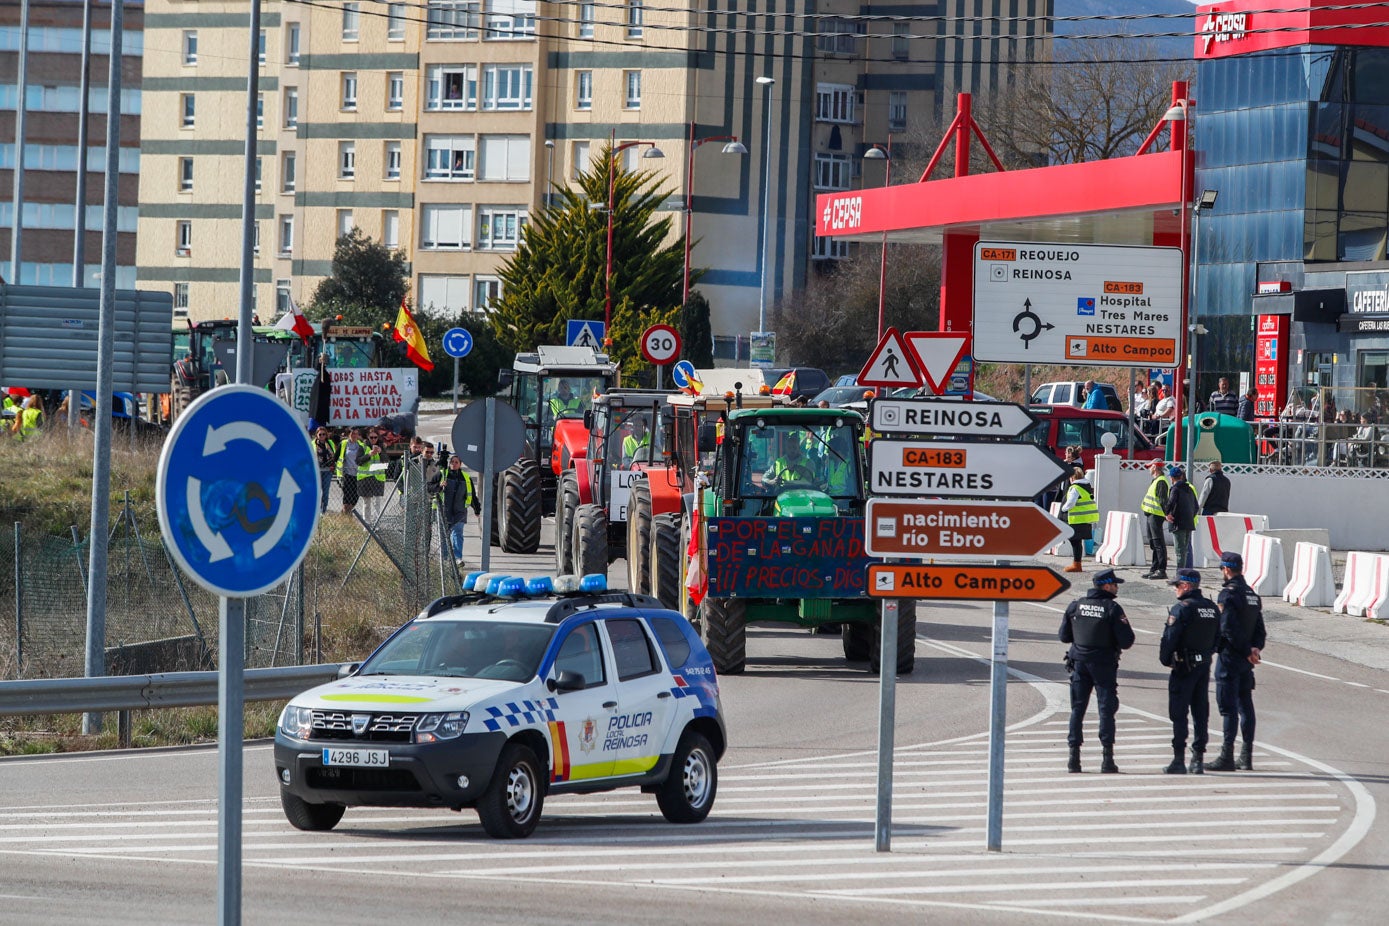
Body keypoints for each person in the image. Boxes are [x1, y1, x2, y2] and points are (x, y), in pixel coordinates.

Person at [1059, 568, 1135, 773]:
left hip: (1079, 664)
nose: (1117, 587)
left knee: (1077, 709)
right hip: (1103, 665)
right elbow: (1127, 641)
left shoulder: (1075, 605)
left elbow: (1064, 637)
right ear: (1106, 585)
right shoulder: (1113, 608)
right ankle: (1107, 760)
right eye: (1115, 584)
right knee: (1106, 709)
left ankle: (1073, 759)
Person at [1205, 552, 1267, 772]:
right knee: (1246, 706)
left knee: (1228, 709)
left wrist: (1244, 650)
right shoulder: (1252, 594)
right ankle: (1246, 756)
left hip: (1231, 657)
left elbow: (1228, 628)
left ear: (1226, 569)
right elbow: (1260, 630)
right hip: (1246, 661)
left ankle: (1226, 756)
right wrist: (1254, 650)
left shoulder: (1228, 595)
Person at [1158, 568, 1220, 774]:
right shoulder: (1211, 607)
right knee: (1200, 712)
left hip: (1183, 667)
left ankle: (1178, 760)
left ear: (1185, 585)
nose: (1175, 589)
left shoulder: (1182, 609)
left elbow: (1169, 639)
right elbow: (1219, 639)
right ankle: (1198, 759)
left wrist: (1166, 660)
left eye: (1177, 585)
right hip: (1203, 666)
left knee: (1179, 713)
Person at [439, 454, 480, 563]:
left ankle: (457, 558)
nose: (454, 464)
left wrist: (477, 509)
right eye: (452, 462)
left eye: (456, 462)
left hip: (460, 511)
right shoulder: (443, 475)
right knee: (444, 535)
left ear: (460, 464)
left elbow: (472, 495)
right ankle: (445, 558)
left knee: (457, 533)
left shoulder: (466, 478)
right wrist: (439, 486)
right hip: (445, 510)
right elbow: (431, 486)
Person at [1060, 467, 1097, 573]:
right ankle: (1077, 564)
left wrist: (1063, 508)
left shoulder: (1075, 487)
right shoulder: (1086, 486)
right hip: (1083, 518)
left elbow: (1071, 502)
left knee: (1075, 541)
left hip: (1076, 519)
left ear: (1072, 477)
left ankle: (1077, 565)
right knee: (1077, 541)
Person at [1164, 465, 1199, 570]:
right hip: (1189, 523)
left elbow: (1170, 503)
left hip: (1178, 523)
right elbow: (1196, 506)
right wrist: (1189, 516)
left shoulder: (1175, 489)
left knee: (1180, 551)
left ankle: (1180, 574)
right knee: (1185, 550)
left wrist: (1167, 514)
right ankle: (1185, 571)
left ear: (1172, 478)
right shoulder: (1189, 489)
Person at [1140, 459, 1171, 579]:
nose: (1148, 468)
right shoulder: (1157, 480)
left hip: (1156, 516)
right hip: (1151, 514)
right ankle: (1154, 568)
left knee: (1158, 543)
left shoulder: (1161, 481)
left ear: (1154, 467)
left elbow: (1163, 500)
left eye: (1150, 466)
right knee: (1153, 543)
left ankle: (1161, 570)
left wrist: (1166, 514)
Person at [335, 426, 369, 515]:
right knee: (347, 497)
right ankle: (346, 515)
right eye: (352, 433)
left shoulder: (361, 445)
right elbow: (336, 457)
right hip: (346, 474)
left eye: (356, 433)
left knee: (355, 497)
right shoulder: (343, 444)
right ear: (348, 434)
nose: (354, 435)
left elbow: (365, 458)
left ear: (358, 435)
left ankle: (345, 513)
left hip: (358, 474)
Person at [313, 427, 338, 514]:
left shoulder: (330, 443)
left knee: (325, 491)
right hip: (317, 471)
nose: (322, 436)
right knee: (316, 491)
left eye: (324, 434)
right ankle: (315, 510)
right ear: (317, 435)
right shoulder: (313, 444)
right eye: (320, 434)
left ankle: (323, 510)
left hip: (328, 470)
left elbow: (334, 455)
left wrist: (333, 465)